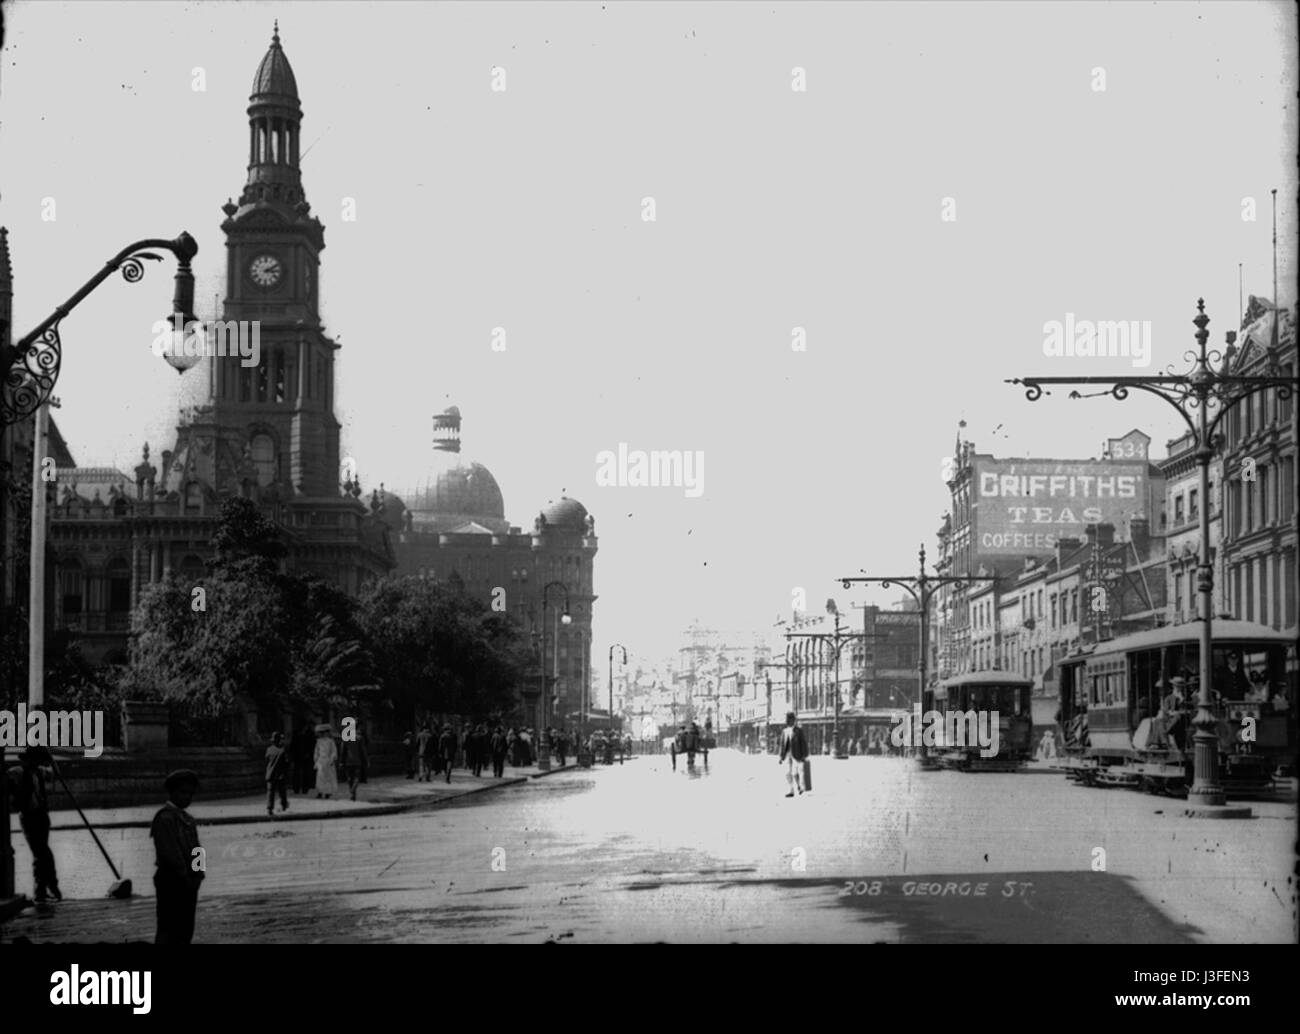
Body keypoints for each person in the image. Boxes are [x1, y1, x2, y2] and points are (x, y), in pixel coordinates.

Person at [151, 769, 204, 944]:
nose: (187, 797)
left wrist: (198, 874)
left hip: (188, 882)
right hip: (172, 880)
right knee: (169, 929)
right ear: (172, 792)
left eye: (190, 793)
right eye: (182, 792)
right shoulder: (165, 818)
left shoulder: (188, 819)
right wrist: (187, 877)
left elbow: (197, 849)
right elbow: (170, 853)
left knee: (186, 928)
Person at [7, 746, 61, 902]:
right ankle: (45, 889)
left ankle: (45, 890)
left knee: (43, 853)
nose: (35, 763)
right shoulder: (17, 772)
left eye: (37, 760)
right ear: (26, 760)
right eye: (33, 760)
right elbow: (6, 781)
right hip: (28, 817)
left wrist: (51, 759)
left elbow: (55, 774)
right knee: (41, 853)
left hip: (42, 816)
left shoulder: (39, 772)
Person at [778, 711, 809, 797]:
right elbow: (782, 745)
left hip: (797, 754)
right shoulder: (784, 731)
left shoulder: (798, 731)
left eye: (790, 719)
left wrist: (804, 755)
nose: (788, 721)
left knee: (796, 772)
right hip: (788, 755)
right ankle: (791, 790)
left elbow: (803, 743)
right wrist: (781, 757)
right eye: (787, 720)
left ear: (793, 720)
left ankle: (800, 787)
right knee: (787, 773)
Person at [265, 732, 290, 815]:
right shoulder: (282, 750)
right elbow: (286, 763)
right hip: (280, 774)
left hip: (270, 773)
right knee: (282, 791)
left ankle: (269, 808)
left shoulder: (269, 749)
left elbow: (266, 761)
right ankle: (284, 805)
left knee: (270, 792)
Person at [341, 731, 368, 801]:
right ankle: (353, 791)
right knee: (357, 777)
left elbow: (343, 750)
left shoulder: (346, 738)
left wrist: (341, 761)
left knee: (350, 778)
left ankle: (352, 794)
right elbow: (363, 750)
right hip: (357, 761)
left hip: (348, 761)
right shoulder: (359, 738)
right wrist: (366, 760)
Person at [313, 724, 339, 798]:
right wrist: (316, 760)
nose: (324, 734)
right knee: (320, 777)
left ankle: (327, 793)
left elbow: (334, 751)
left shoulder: (330, 741)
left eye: (325, 732)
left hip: (328, 760)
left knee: (328, 777)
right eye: (322, 733)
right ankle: (320, 792)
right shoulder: (318, 742)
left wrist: (332, 759)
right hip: (321, 760)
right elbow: (316, 751)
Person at [291, 725, 315, 795]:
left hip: (307, 757)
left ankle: (305, 788)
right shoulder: (296, 734)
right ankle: (296, 788)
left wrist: (309, 753)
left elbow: (312, 745)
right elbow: (293, 745)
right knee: (296, 773)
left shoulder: (309, 734)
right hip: (297, 756)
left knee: (306, 773)